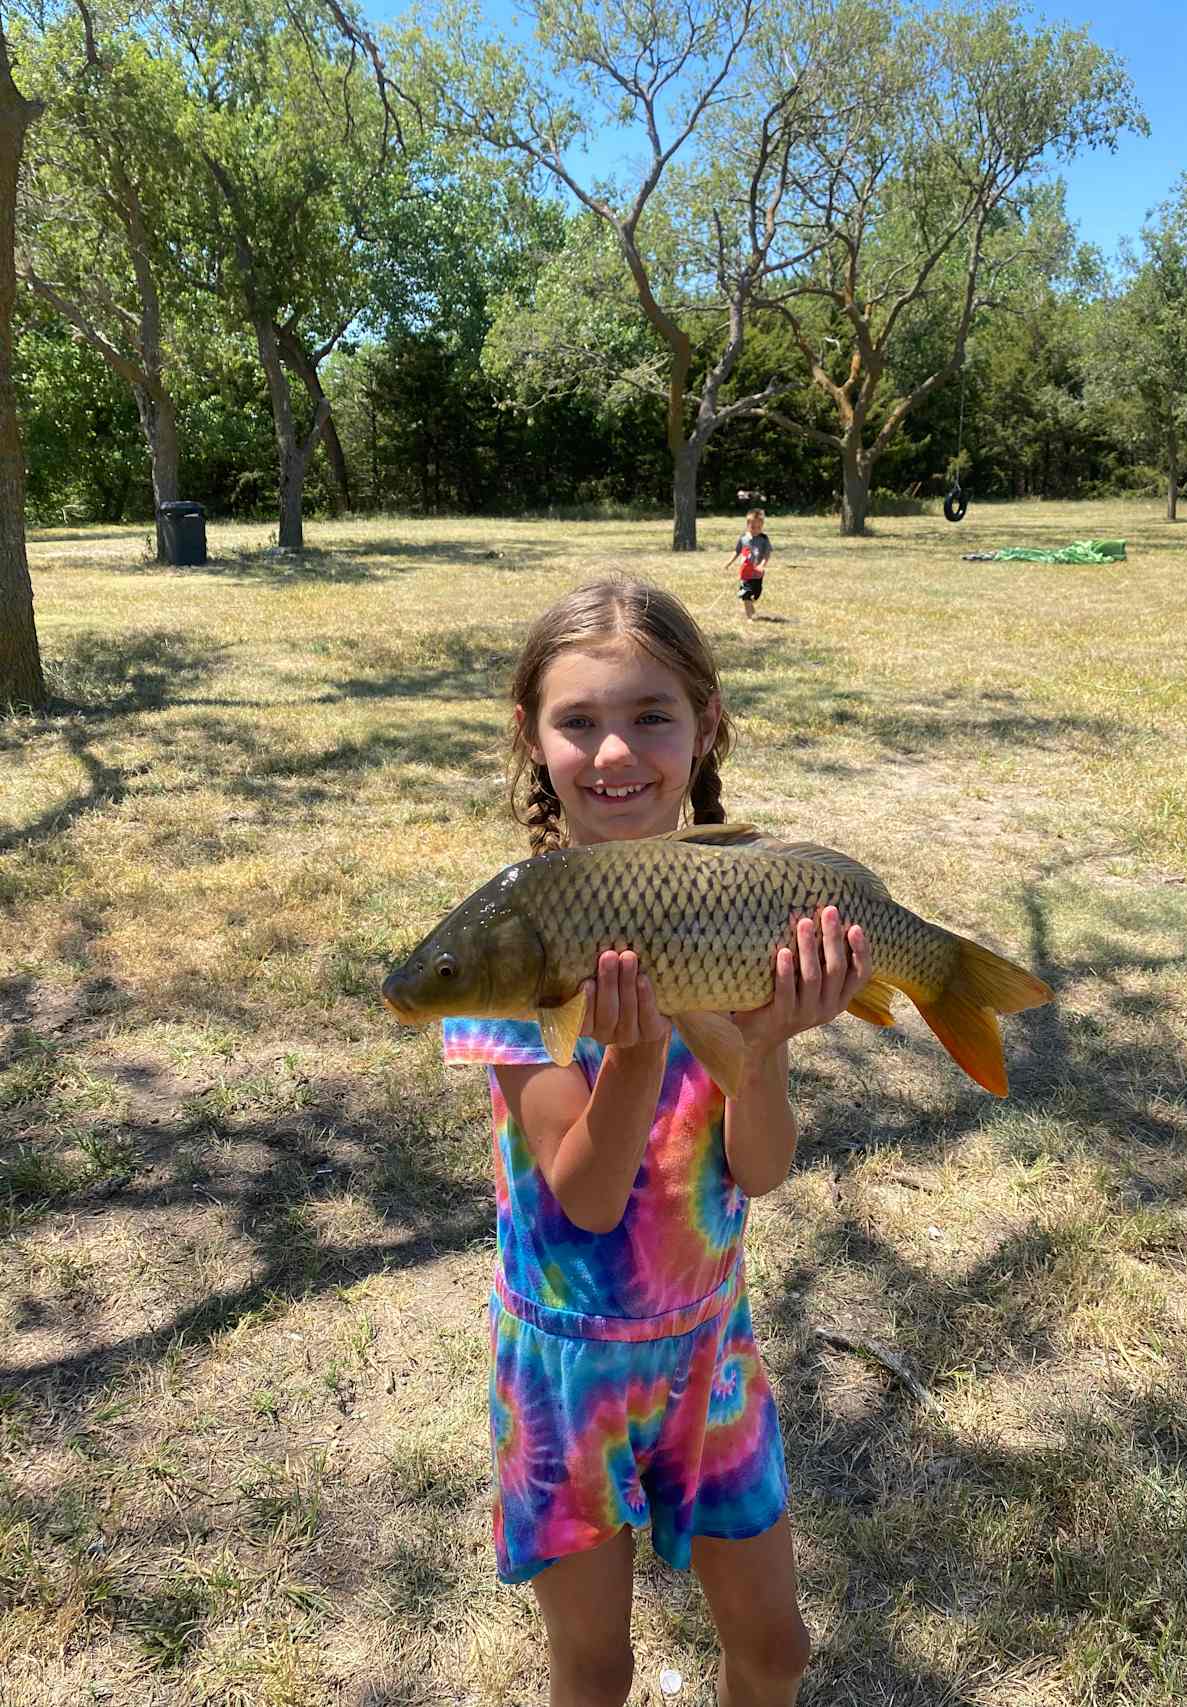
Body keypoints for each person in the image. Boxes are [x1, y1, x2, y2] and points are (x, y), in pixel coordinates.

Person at [442, 577, 869, 1707]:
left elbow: (763, 1167)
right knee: (595, 1666)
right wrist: (630, 1058)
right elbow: (584, 1201)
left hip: (708, 1355)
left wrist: (766, 1046)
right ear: (532, 739)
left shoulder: (730, 910)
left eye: (650, 716)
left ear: (704, 727)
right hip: (563, 1372)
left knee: (775, 1651)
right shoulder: (509, 942)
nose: (614, 750)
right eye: (577, 720)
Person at [723, 507, 772, 619]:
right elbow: (737, 551)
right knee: (746, 595)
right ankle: (750, 616)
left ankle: (751, 609)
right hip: (745, 573)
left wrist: (762, 565)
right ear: (747, 525)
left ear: (762, 526)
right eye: (752, 527)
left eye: (758, 527)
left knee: (756, 594)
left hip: (758, 574)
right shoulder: (743, 538)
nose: (755, 530)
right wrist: (729, 563)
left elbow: (767, 554)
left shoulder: (764, 539)